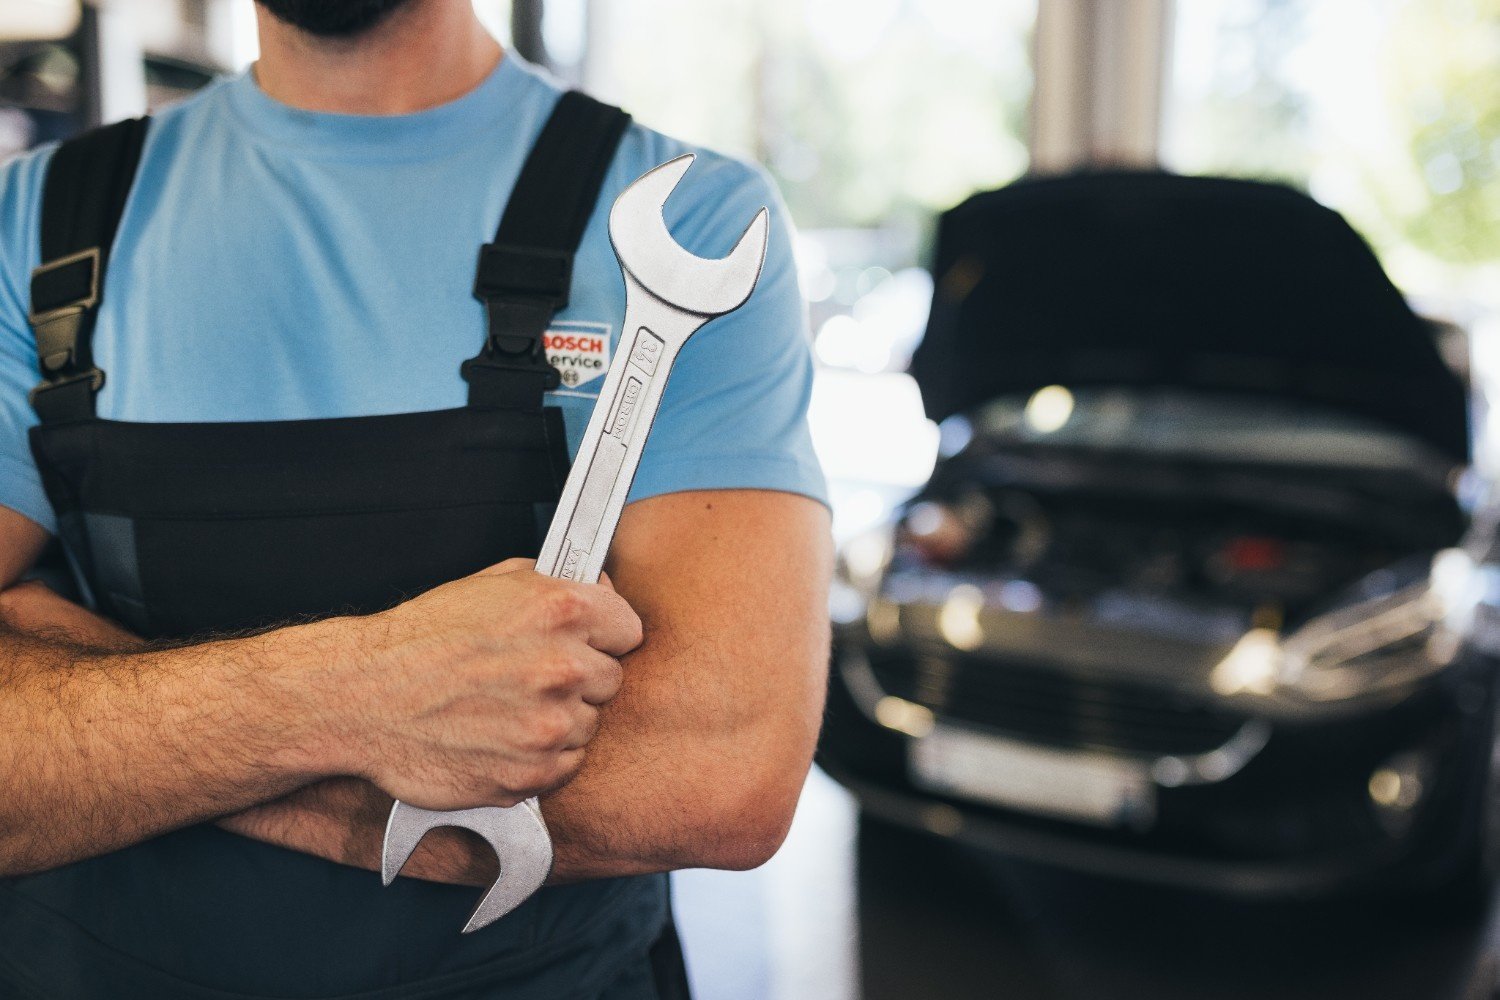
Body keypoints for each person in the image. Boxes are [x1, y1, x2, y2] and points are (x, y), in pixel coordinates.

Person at [0, 0, 831, 997]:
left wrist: (118, 736)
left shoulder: (685, 214)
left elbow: (715, 775)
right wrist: (362, 693)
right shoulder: (36, 226)